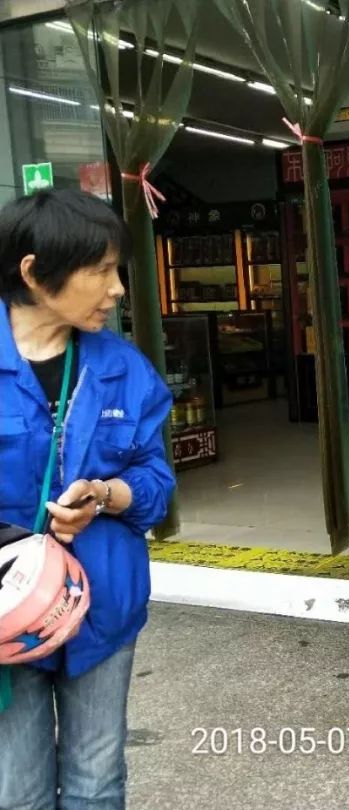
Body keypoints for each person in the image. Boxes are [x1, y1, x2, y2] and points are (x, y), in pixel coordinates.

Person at [0, 189, 176, 808]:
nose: (117, 289)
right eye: (100, 271)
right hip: (7, 619)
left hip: (102, 605)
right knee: (17, 792)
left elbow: (157, 483)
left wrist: (105, 495)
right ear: (33, 272)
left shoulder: (123, 368)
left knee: (96, 782)